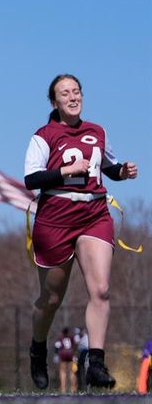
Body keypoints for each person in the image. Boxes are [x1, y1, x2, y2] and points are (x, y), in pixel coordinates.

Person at [24, 74, 139, 390]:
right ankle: (37, 348)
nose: (72, 97)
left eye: (76, 91)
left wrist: (122, 172)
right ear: (55, 102)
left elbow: (109, 168)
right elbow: (31, 179)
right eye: (65, 93)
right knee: (51, 299)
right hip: (55, 220)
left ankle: (96, 363)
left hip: (93, 215)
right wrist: (63, 171)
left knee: (101, 289)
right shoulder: (43, 136)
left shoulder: (97, 132)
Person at [55, 327, 77, 393]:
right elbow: (74, 346)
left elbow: (57, 346)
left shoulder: (60, 338)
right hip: (70, 354)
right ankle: (73, 388)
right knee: (72, 372)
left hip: (63, 355)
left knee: (62, 371)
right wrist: (75, 355)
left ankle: (63, 388)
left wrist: (56, 354)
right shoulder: (71, 337)